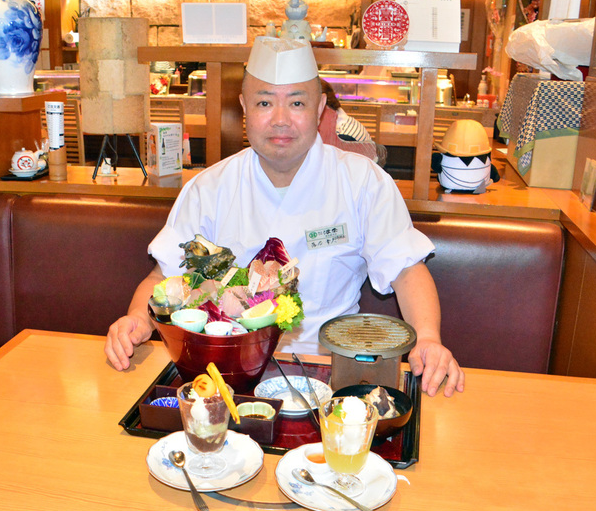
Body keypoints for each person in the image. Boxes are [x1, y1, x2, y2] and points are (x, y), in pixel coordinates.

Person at [104, 37, 464, 397]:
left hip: (332, 373)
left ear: (321, 107)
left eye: (296, 103)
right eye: (264, 103)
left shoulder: (362, 181)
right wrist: (136, 319)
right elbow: (164, 276)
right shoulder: (209, 187)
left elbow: (406, 268)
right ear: (244, 106)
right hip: (225, 374)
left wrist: (429, 338)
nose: (280, 120)